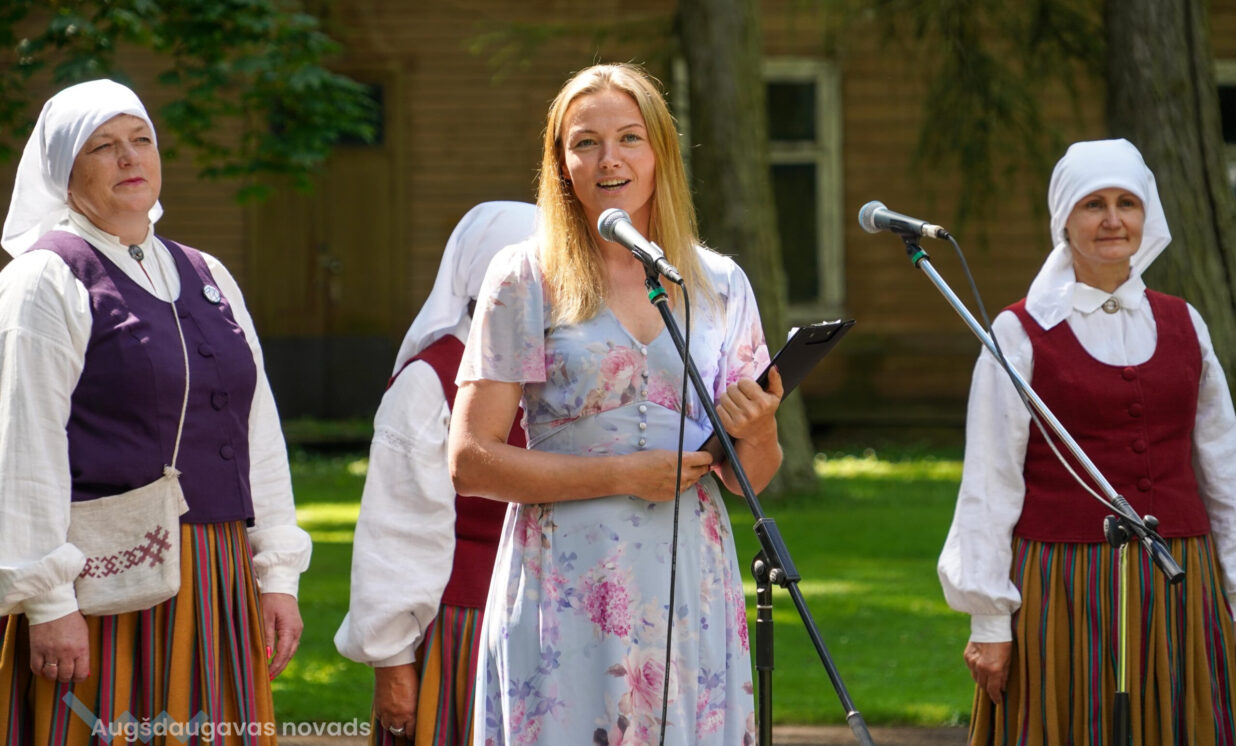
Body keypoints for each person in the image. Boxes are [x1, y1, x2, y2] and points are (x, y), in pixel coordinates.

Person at [447, 62, 784, 745]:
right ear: (561, 165)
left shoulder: (719, 282)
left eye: (630, 137)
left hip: (690, 567)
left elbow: (752, 476)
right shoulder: (525, 275)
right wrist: (624, 475)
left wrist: (760, 429)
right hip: (566, 569)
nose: (610, 159)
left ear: (661, 153)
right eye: (586, 142)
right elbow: (471, 461)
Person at [0, 79, 311, 742]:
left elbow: (258, 433)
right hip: (102, 578)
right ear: (64, 171)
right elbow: (23, 446)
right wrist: (48, 602)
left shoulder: (206, 273)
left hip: (217, 571)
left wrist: (277, 575)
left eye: (141, 139)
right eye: (103, 146)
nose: (129, 157)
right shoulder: (45, 278)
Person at [938, 138, 1236, 744]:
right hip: (1065, 585)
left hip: (1181, 578)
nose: (1112, 220)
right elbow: (990, 482)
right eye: (1093, 204)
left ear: (1146, 215)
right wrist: (989, 619)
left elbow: (1223, 467)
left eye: (1127, 203)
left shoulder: (1185, 322)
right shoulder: (1019, 333)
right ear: (1065, 219)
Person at [334, 200, 537, 745]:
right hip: (464, 628)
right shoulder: (430, 381)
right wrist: (393, 661)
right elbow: (395, 530)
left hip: (551, 623)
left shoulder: (564, 373)